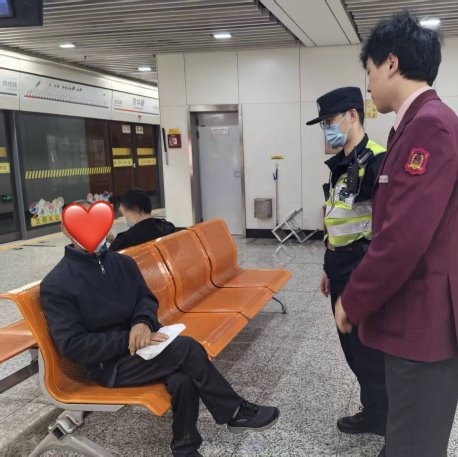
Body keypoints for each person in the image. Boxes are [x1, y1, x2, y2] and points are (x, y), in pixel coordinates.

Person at [333, 12, 458, 457]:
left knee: (414, 445)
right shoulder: (416, 123)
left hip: (426, 325)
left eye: (369, 72)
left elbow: (402, 237)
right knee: (409, 437)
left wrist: (353, 300)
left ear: (391, 63)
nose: (368, 85)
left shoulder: (429, 126)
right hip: (417, 319)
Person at [40, 205, 279, 457]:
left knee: (183, 378)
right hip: (110, 365)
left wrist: (142, 323)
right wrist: (128, 339)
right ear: (65, 229)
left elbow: (145, 299)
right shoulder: (58, 284)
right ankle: (234, 412)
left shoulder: (122, 263)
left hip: (146, 350)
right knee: (186, 349)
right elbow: (73, 345)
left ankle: (185, 448)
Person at [306, 87, 388, 436]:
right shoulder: (341, 162)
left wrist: (365, 281)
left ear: (352, 115)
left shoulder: (378, 160)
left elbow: (384, 228)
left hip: (361, 269)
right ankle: (374, 411)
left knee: (369, 352)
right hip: (340, 267)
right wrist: (329, 265)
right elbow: (338, 216)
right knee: (354, 351)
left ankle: (384, 419)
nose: (326, 129)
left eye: (329, 121)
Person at [108, 188, 176, 251]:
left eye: (123, 213)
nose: (124, 217)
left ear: (137, 209)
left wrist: (115, 242)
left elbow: (110, 257)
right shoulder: (168, 228)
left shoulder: (125, 240)